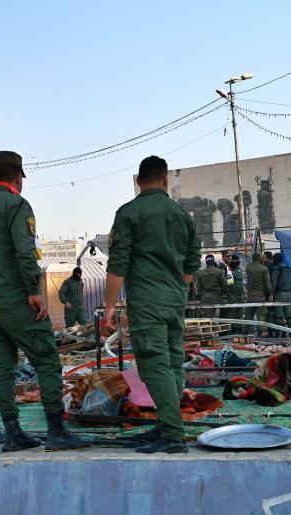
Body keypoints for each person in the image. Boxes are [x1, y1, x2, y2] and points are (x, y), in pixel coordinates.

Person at [0, 150, 88, 452]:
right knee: (46, 359)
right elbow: (25, 251)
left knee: (2, 366)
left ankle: (13, 434)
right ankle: (56, 432)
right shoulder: (16, 204)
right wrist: (32, 290)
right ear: (18, 176)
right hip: (16, 298)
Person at [103, 155, 201, 454]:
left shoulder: (129, 213)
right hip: (174, 300)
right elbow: (192, 260)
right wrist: (176, 291)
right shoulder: (182, 214)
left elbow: (118, 263)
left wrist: (109, 305)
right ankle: (166, 425)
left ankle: (172, 433)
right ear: (166, 179)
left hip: (147, 301)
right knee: (172, 363)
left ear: (137, 181)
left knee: (154, 366)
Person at [245, 252, 273, 337]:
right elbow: (267, 283)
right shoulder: (264, 269)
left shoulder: (248, 268)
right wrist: (270, 293)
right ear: (260, 259)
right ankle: (260, 333)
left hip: (250, 296)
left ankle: (245, 332)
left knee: (248, 315)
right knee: (261, 315)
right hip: (261, 296)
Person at [196, 254, 228, 318]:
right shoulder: (219, 272)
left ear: (206, 262)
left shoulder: (200, 273)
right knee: (218, 318)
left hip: (205, 299)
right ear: (213, 261)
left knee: (208, 319)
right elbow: (224, 285)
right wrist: (225, 294)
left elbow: (198, 288)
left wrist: (200, 297)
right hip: (218, 298)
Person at [271, 252, 291, 333]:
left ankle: (281, 333)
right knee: (289, 314)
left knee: (279, 315)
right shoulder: (289, 268)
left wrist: (271, 294)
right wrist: (290, 291)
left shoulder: (275, 269)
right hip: (289, 293)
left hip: (279, 294)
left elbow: (273, 284)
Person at [225, 253, 246, 326]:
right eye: (236, 260)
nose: (238, 261)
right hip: (233, 295)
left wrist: (245, 292)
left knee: (240, 313)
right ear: (232, 260)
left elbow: (242, 281)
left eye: (238, 260)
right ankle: (233, 328)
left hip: (241, 295)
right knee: (232, 313)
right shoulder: (228, 269)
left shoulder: (239, 269)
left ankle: (239, 327)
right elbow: (228, 283)